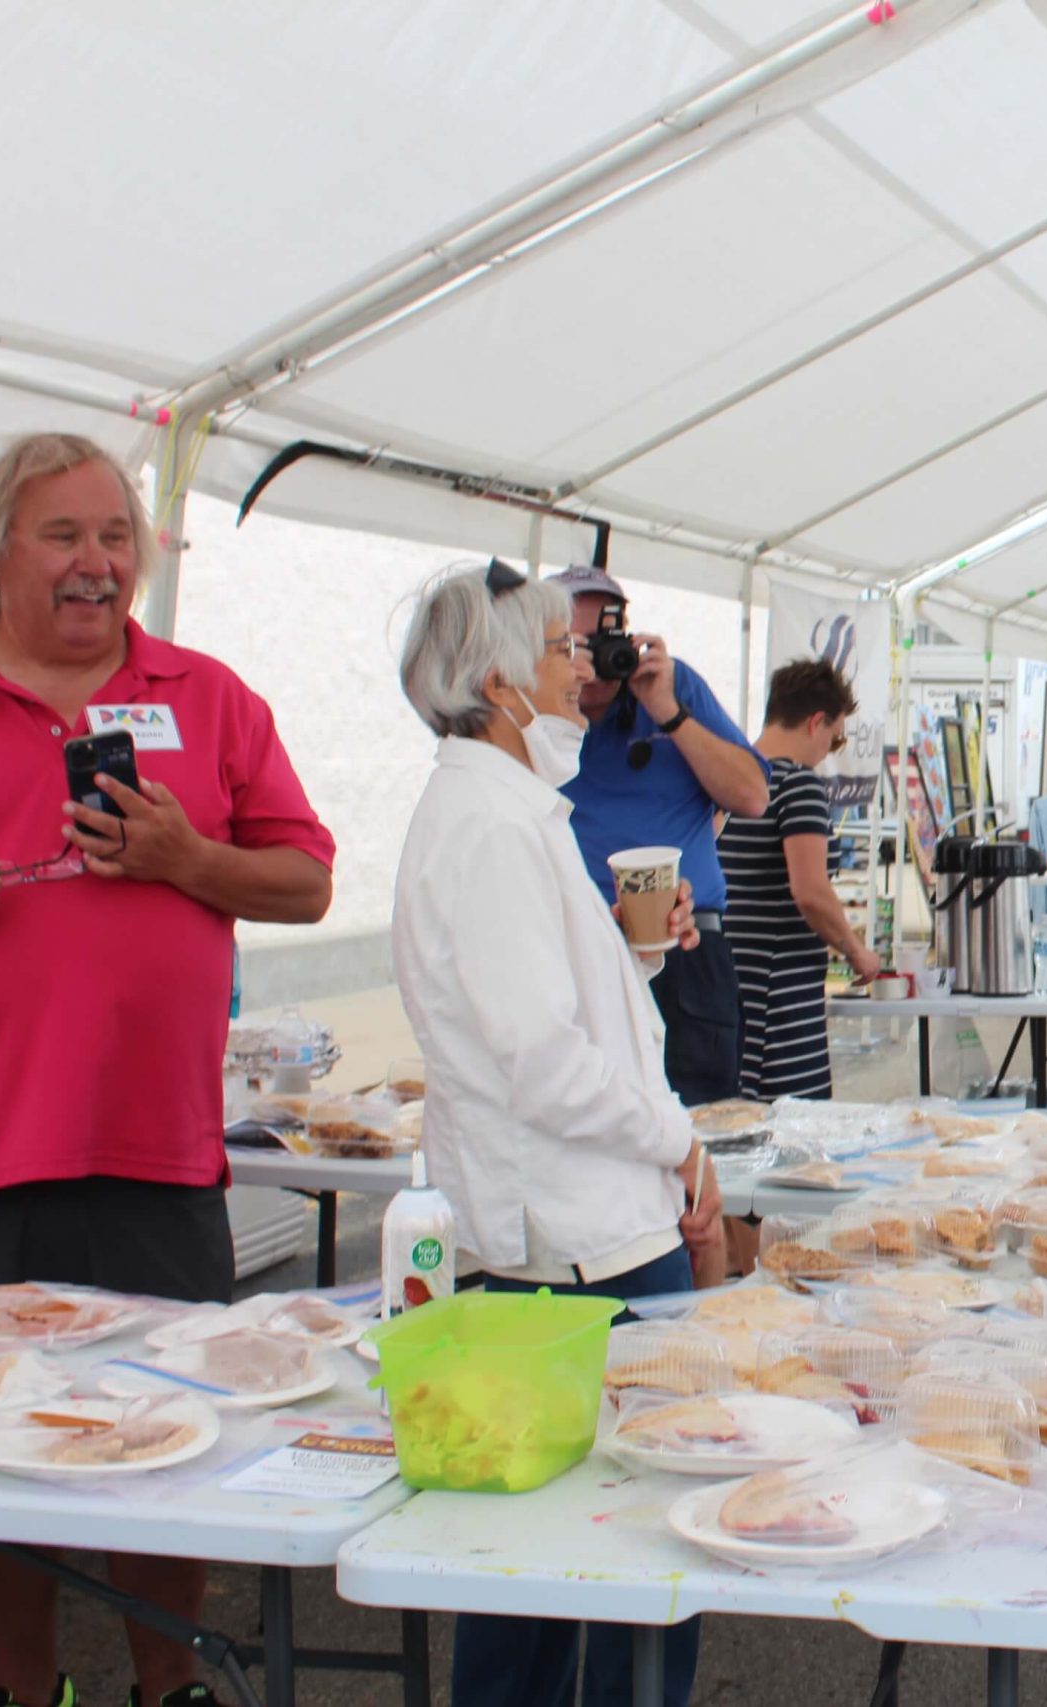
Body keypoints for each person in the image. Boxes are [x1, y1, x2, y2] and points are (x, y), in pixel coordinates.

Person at [0, 433, 335, 1707]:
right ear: (1, 554)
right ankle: (24, 1690)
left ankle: (168, 1688)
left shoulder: (207, 696)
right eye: (62, 536)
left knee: (172, 1441)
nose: (96, 564)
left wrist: (188, 860)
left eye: (115, 537)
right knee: (7, 1466)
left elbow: (306, 880)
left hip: (159, 1152)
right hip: (4, 1152)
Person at [390, 560, 724, 1707]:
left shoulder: (509, 807)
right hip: (578, 1254)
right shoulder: (491, 824)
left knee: (534, 1576)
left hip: (571, 1238)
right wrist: (677, 1139)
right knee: (616, 1564)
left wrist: (633, 954)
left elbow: (539, 1020)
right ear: (496, 683)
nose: (580, 671)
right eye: (557, 650)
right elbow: (542, 1065)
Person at [550, 565, 769, 1106]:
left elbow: (751, 797)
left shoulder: (671, 687)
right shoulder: (538, 709)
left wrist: (668, 712)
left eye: (606, 639)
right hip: (576, 950)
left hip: (685, 947)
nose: (596, 660)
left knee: (702, 1120)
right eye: (577, 645)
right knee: (588, 1118)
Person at [717, 658, 882, 1099]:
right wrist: (856, 950)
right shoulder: (799, 785)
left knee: (738, 1117)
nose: (830, 750)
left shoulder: (727, 778)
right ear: (815, 722)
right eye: (835, 736)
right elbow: (810, 890)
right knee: (792, 1125)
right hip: (780, 993)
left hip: (729, 979)